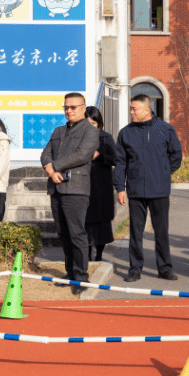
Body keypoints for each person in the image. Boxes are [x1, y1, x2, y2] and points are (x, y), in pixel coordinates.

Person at [113, 94, 183, 283]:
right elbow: (120, 162)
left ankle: (165, 268)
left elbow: (176, 155)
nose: (131, 112)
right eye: (131, 108)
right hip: (136, 191)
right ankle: (135, 269)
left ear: (146, 109)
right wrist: (120, 188)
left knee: (161, 232)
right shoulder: (126, 133)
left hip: (159, 190)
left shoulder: (165, 129)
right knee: (136, 232)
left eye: (134, 109)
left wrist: (163, 172)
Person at [40, 93, 100, 295]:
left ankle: (81, 277)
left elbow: (82, 155)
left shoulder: (90, 131)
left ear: (83, 108)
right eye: (66, 107)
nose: (69, 110)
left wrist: (54, 166)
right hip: (56, 187)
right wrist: (50, 169)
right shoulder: (58, 130)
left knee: (77, 234)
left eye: (73, 107)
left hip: (75, 189)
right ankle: (70, 273)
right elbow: (45, 153)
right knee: (63, 234)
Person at [84, 106, 116, 262]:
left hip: (102, 185)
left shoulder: (106, 138)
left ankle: (99, 255)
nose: (90, 126)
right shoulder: (79, 137)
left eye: (93, 123)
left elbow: (115, 159)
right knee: (86, 221)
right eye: (87, 123)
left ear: (99, 123)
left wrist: (100, 156)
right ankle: (87, 255)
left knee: (102, 223)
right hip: (85, 184)